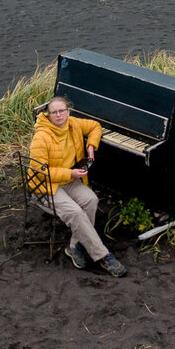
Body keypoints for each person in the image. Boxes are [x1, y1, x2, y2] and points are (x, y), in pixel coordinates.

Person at [29, 95, 128, 277]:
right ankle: (103, 256)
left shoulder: (73, 124)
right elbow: (39, 172)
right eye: (53, 112)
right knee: (75, 212)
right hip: (46, 187)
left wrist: (91, 145)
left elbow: (95, 126)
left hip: (69, 181)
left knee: (91, 199)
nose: (58, 115)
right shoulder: (41, 138)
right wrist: (70, 173)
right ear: (48, 115)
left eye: (61, 111)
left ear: (68, 112)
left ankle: (75, 246)